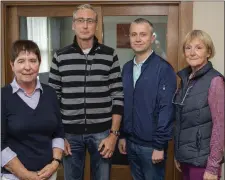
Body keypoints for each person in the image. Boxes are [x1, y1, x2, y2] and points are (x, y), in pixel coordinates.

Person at [48, 4, 124, 180]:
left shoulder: (109, 55)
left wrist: (113, 135)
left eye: (89, 21)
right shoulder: (60, 56)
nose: (85, 25)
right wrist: (59, 136)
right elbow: (52, 100)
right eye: (80, 20)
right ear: (73, 24)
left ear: (96, 24)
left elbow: (118, 96)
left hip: (103, 133)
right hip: (69, 134)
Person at [118, 18, 177, 180]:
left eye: (143, 35)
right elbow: (125, 103)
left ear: (152, 38)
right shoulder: (127, 68)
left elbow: (167, 109)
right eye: (134, 34)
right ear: (129, 38)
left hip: (152, 146)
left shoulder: (163, 69)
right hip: (130, 143)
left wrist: (159, 145)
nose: (138, 39)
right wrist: (123, 135)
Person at [1, 40, 64, 180]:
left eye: (32, 60)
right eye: (21, 61)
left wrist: (55, 163)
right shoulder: (2, 97)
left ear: (39, 64)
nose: (27, 67)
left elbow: (58, 132)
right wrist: (27, 175)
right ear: (12, 65)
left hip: (48, 175)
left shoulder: (50, 94)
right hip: (13, 177)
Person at [173, 30, 224, 180]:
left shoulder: (215, 81)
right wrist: (178, 154)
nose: (192, 52)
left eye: (199, 48)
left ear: (208, 52)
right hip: (186, 160)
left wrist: (213, 166)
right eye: (188, 48)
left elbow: (220, 127)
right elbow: (180, 121)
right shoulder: (185, 80)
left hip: (204, 164)